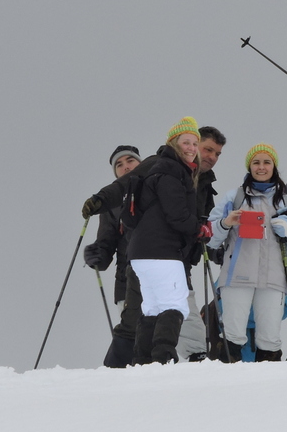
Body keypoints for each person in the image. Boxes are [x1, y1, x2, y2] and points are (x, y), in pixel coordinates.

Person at [208, 144, 287, 361]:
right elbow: (210, 238)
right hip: (236, 277)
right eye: (256, 162)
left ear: (274, 166)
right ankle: (227, 385)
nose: (261, 167)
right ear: (249, 166)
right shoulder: (234, 197)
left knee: (270, 338)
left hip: (273, 279)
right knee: (232, 335)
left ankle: (268, 389)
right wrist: (226, 223)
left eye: (267, 162)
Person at [126, 117, 206, 363]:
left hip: (141, 253)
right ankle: (163, 357)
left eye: (195, 143)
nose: (192, 148)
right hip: (163, 252)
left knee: (152, 307)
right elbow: (177, 215)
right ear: (174, 143)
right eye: (186, 142)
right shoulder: (171, 171)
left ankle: (143, 359)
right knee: (174, 305)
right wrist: (201, 229)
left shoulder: (159, 168)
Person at [83, 145, 141, 367]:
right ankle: (119, 375)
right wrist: (96, 254)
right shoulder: (112, 205)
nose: (126, 166)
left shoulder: (159, 189)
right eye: (119, 164)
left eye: (130, 161)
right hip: (126, 283)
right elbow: (106, 244)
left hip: (159, 275)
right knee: (134, 332)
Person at [178, 125, 226, 362]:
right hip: (161, 256)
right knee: (181, 314)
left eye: (217, 154)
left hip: (183, 259)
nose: (212, 157)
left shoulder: (205, 186)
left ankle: (186, 358)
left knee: (174, 313)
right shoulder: (171, 172)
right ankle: (194, 357)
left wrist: (216, 250)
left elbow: (207, 227)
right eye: (208, 149)